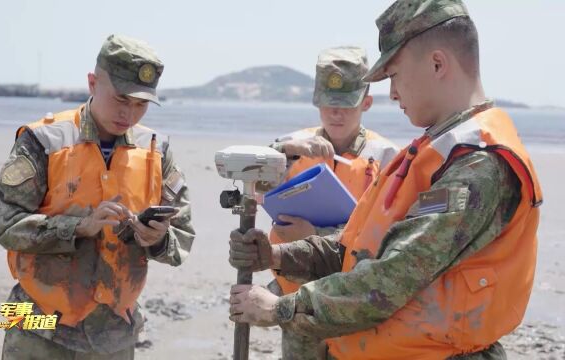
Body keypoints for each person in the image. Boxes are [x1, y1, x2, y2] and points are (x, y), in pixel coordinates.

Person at [227, 1, 542, 359]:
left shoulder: (478, 164)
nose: (392, 93)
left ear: (437, 64)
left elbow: (387, 279)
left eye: (394, 75)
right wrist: (280, 255)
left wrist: (279, 309)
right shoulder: (432, 152)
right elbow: (357, 249)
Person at [0, 34, 195, 359]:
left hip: (114, 335)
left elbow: (181, 240)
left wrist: (156, 239)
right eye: (120, 99)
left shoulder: (157, 151)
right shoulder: (42, 141)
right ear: (92, 82)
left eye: (141, 104)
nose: (129, 114)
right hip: (34, 324)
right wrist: (79, 227)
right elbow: (8, 227)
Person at [263, 46, 398, 354]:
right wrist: (283, 149)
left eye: (347, 105)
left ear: (366, 103)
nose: (336, 113)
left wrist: (312, 237)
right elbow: (252, 182)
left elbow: (388, 238)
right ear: (317, 101)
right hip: (297, 295)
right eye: (328, 104)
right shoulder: (293, 145)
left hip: (351, 302)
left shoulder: (386, 156)